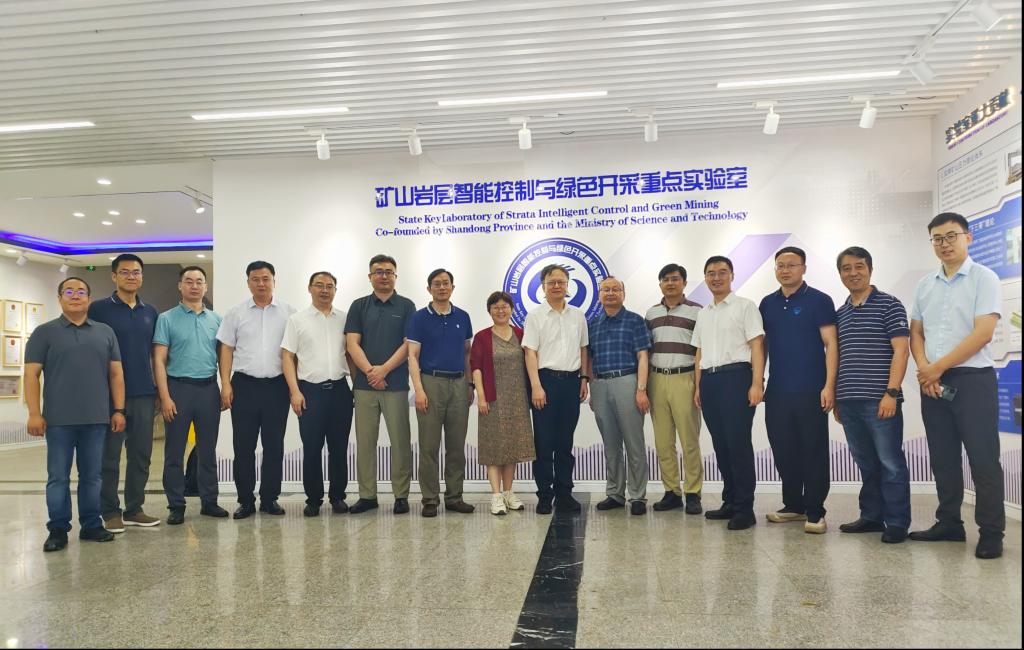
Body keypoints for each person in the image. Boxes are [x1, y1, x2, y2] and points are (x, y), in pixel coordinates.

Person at [910, 212, 1005, 559]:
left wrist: (936, 368)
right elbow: (916, 332)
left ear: (968, 237)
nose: (944, 244)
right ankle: (949, 523)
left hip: (972, 380)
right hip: (933, 383)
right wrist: (925, 369)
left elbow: (983, 333)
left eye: (951, 236)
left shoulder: (984, 278)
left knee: (983, 459)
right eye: (937, 238)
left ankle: (991, 532)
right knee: (943, 458)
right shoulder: (925, 285)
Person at [25, 277, 125, 552]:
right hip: (58, 420)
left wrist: (118, 410)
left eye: (81, 291)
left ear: (89, 299)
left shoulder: (105, 332)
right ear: (59, 298)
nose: (75, 295)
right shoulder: (44, 333)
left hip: (96, 418)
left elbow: (116, 374)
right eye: (68, 291)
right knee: (58, 476)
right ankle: (57, 529)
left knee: (92, 476)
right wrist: (34, 413)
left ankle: (91, 525)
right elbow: (31, 375)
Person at [833, 247, 912, 544]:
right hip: (848, 400)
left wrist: (891, 392)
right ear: (840, 273)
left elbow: (901, 351)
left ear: (870, 269)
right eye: (847, 268)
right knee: (866, 463)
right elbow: (838, 357)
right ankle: (872, 516)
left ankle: (897, 522)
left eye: (859, 266)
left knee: (890, 463)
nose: (853, 273)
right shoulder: (840, 313)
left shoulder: (890, 304)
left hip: (881, 400)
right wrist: (838, 398)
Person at [758, 247, 837, 534]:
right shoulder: (767, 303)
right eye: (780, 265)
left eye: (792, 265)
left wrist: (829, 385)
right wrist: (758, 380)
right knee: (783, 449)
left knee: (813, 450)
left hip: (812, 389)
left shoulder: (819, 300)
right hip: (778, 390)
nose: (785, 270)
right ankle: (793, 505)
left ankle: (815, 511)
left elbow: (831, 344)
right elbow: (762, 346)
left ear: (804, 268)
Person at [88, 254, 161, 533]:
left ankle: (134, 509)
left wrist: (158, 389)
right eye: (125, 272)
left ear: (142, 276)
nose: (131, 276)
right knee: (109, 456)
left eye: (136, 272)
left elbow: (156, 354)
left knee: (141, 455)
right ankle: (109, 511)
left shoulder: (150, 311)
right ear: (114, 276)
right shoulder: (99, 309)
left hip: (143, 393)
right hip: (109, 396)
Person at [217, 261, 295, 519]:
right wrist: (225, 383)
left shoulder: (289, 313)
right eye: (255, 279)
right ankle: (245, 501)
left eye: (265, 278)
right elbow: (226, 349)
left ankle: (270, 499)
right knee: (243, 446)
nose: (261, 283)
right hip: (244, 386)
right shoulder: (235, 313)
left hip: (277, 386)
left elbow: (293, 353)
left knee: (274, 446)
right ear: (248, 282)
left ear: (274, 281)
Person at [692, 256, 765, 531]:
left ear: (732, 275)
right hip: (709, 382)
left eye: (722, 272)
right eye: (711, 273)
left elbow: (757, 346)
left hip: (737, 378)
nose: (716, 277)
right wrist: (698, 386)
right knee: (721, 445)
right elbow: (699, 352)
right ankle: (730, 501)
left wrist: (757, 383)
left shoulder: (745, 306)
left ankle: (745, 509)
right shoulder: (704, 313)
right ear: (705, 278)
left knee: (738, 444)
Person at [153, 266, 226, 524]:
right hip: (178, 390)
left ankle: (209, 501)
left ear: (206, 287)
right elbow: (159, 360)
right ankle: (176, 505)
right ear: (180, 286)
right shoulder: (166, 319)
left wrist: (225, 386)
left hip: (208, 390)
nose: (194, 286)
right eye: (189, 281)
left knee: (207, 450)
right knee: (174, 452)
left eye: (199, 282)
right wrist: (165, 397)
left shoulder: (217, 320)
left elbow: (223, 356)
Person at [345, 255, 417, 514]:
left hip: (396, 385)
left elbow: (409, 344)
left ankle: (401, 495)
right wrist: (370, 372)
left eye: (389, 272)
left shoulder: (407, 306)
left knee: (400, 441)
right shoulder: (359, 306)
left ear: (395, 276)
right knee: (365, 443)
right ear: (370, 276)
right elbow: (352, 344)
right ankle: (367, 495)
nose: (384, 276)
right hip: (364, 387)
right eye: (378, 272)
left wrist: (384, 370)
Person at [282, 271, 354, 517]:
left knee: (339, 448)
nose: (325, 290)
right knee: (312, 448)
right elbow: (287, 357)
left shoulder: (345, 319)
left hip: (340, 390)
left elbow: (351, 354)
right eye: (319, 285)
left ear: (335, 290)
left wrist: (356, 386)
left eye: (330, 286)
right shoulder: (297, 320)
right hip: (310, 391)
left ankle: (338, 497)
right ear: (309, 288)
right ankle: (313, 499)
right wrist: (294, 391)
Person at [406, 269, 475, 517]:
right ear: (429, 289)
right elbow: (412, 356)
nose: (442, 287)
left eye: (446, 283)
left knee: (456, 446)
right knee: (429, 446)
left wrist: (470, 385)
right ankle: (430, 499)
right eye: (437, 284)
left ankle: (455, 497)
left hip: (459, 384)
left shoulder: (463, 317)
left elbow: (467, 353)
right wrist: (419, 390)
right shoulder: (419, 318)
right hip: (430, 383)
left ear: (453, 287)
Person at [523, 264, 589, 515]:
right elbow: (530, 353)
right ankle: (544, 495)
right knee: (544, 443)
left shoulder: (578, 315)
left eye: (561, 282)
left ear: (568, 284)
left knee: (564, 443)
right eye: (551, 282)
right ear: (543, 286)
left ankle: (564, 494)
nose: (557, 286)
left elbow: (583, 349)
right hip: (545, 382)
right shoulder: (535, 316)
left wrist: (584, 379)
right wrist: (536, 386)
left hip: (571, 382)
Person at [587, 277, 652, 516]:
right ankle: (615, 493)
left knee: (634, 443)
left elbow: (643, 356)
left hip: (628, 381)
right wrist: (592, 387)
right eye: (606, 289)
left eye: (616, 289)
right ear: (599, 295)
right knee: (611, 444)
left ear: (624, 294)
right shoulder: (593, 324)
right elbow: (590, 358)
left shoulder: (635, 320)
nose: (611, 293)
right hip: (600, 384)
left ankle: (637, 496)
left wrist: (641, 389)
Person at [645, 263, 704, 515]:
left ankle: (693, 492)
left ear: (684, 283)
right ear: (660, 284)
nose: (670, 283)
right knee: (663, 441)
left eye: (675, 279)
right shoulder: (651, 313)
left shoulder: (698, 312)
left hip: (685, 378)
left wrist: (699, 385)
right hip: (657, 380)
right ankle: (671, 492)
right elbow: (646, 351)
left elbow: (701, 350)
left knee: (689, 440)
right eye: (666, 279)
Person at [470, 292, 535, 516]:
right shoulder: (482, 337)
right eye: (496, 307)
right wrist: (481, 396)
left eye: (505, 306)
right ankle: (496, 495)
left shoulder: (521, 334)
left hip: (518, 400)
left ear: (511, 309)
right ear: (489, 311)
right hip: (492, 399)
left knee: (512, 447)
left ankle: (508, 492)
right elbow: (476, 368)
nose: (500, 310)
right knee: (494, 448)